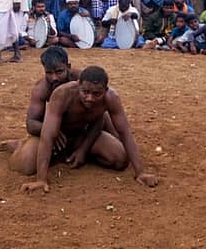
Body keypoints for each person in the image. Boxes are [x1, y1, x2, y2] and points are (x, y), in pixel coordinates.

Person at [19, 66, 157, 194]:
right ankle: (18, 144)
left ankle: (78, 155)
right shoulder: (62, 94)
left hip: (81, 137)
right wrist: (41, 180)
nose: (90, 98)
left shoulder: (111, 98)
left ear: (105, 90)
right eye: (85, 92)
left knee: (120, 159)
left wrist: (140, 172)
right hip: (58, 138)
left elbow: (125, 132)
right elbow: (48, 135)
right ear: (78, 85)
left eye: (97, 94)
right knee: (26, 165)